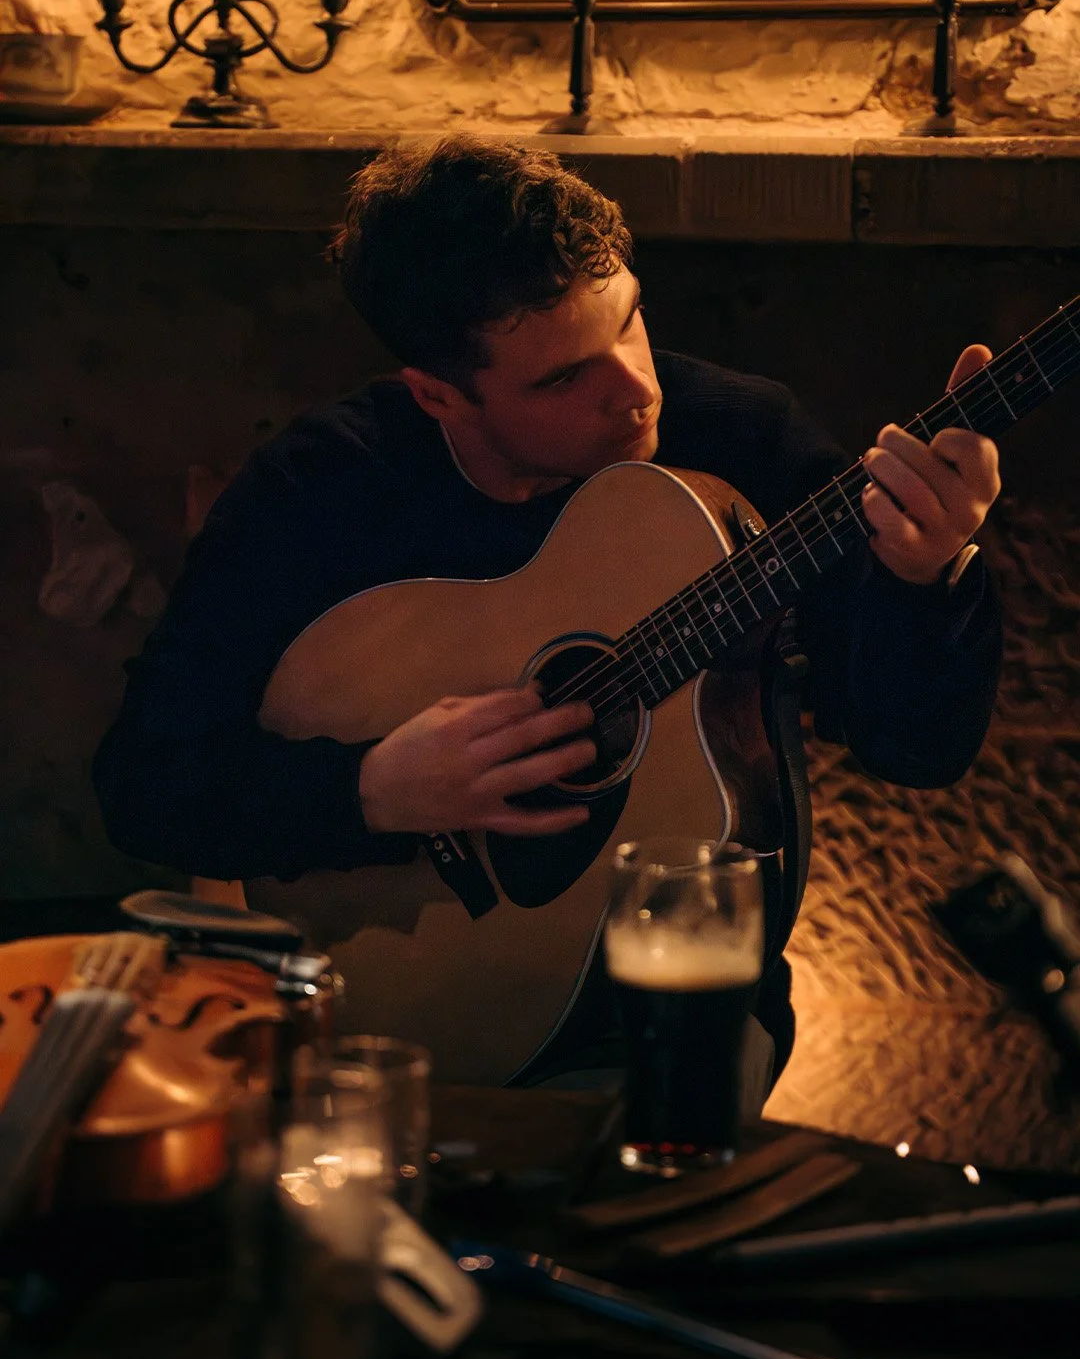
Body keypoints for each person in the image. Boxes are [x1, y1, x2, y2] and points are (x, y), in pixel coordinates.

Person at [93, 135, 1002, 1089]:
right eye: (565, 377)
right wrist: (370, 791)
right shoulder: (324, 487)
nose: (636, 388)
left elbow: (919, 747)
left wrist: (925, 574)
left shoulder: (740, 440)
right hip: (393, 1022)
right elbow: (143, 780)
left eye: (630, 322)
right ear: (439, 394)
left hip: (665, 1004)